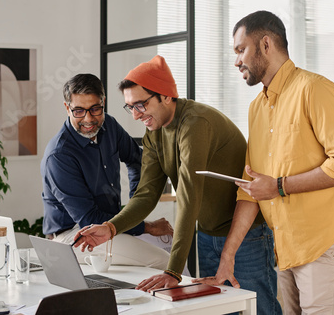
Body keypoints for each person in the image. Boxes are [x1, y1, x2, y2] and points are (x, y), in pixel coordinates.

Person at [73, 55, 282, 314]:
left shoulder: (195, 124)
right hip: (207, 234)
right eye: (130, 107)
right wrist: (110, 228)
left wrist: (173, 271)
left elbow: (188, 195)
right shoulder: (154, 133)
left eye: (141, 104)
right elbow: (146, 195)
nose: (136, 115)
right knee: (220, 309)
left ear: (167, 96)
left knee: (260, 309)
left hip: (247, 235)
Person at [195, 10, 334, 314]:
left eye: (240, 50)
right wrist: (228, 256)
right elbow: (252, 189)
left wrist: (279, 186)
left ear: (265, 44)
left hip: (326, 239)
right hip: (287, 244)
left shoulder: (314, 89)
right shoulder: (256, 108)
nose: (236, 61)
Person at [41, 73, 173, 269]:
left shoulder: (109, 126)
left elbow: (137, 160)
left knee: (168, 242)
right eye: (78, 111)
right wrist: (148, 226)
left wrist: (135, 208)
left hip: (109, 225)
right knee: (165, 261)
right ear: (67, 107)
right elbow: (89, 220)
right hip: (75, 234)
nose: (88, 119)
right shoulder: (59, 156)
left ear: (103, 102)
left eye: (95, 109)